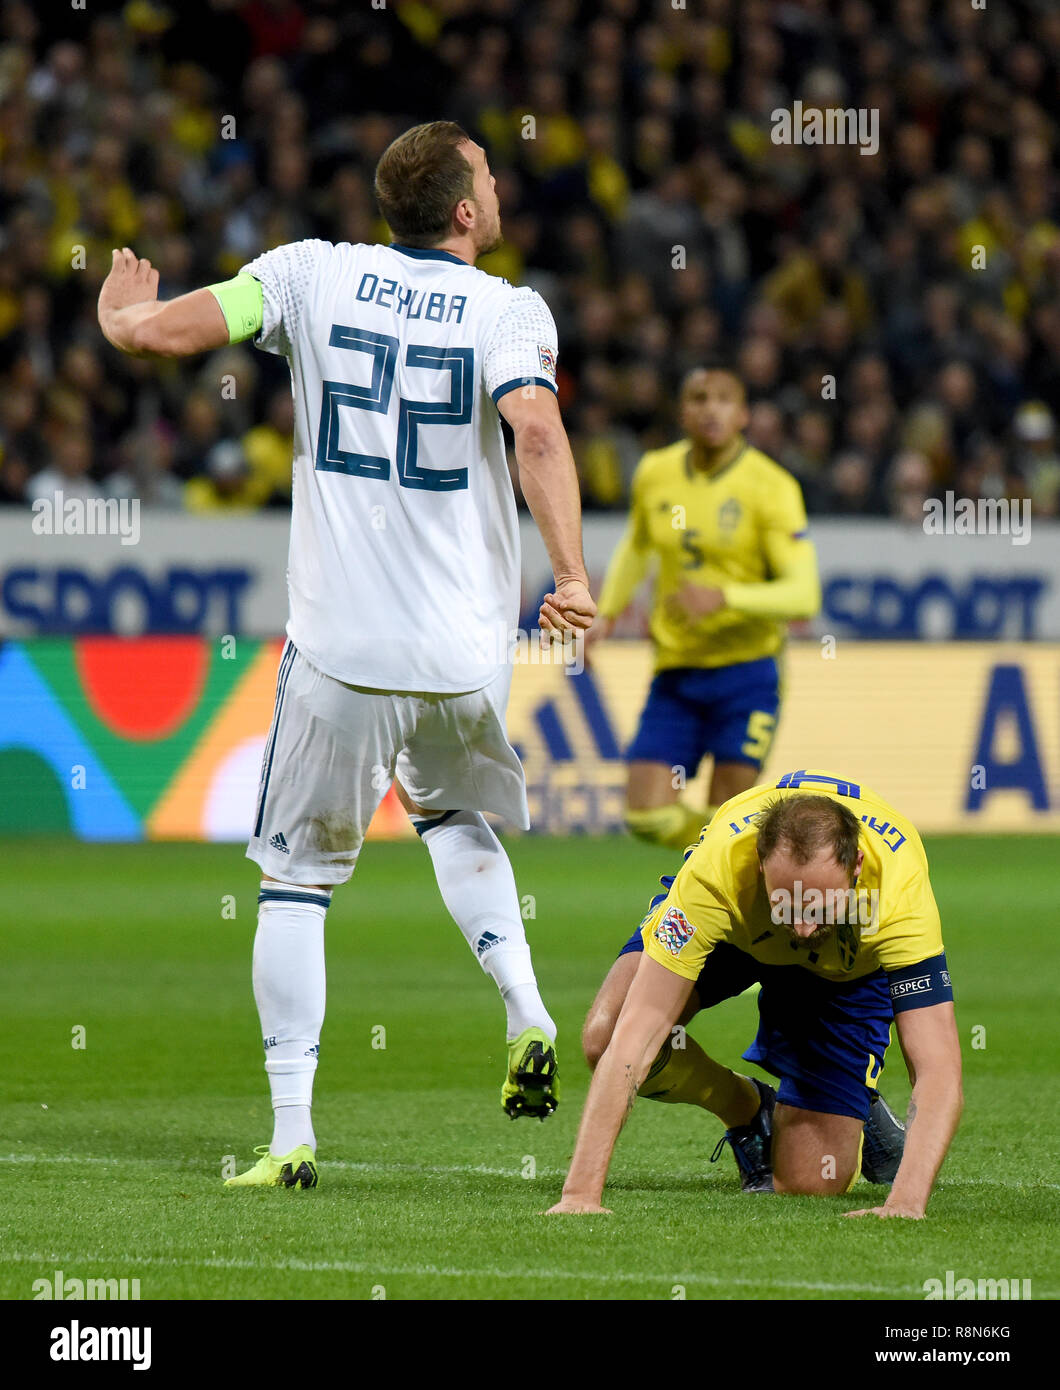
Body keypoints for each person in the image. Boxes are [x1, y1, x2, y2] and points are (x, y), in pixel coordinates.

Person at [98, 120, 595, 1189]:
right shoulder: (511, 311)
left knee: (294, 880)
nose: (501, 187)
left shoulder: (309, 274)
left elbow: (186, 329)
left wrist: (128, 320)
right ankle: (525, 1006)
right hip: (465, 653)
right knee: (453, 817)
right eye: (490, 177)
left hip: (342, 648)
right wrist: (572, 576)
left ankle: (289, 1134)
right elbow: (539, 433)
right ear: (464, 210)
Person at [547, 770, 962, 1219]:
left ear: (856, 867)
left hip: (844, 972)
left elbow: (937, 1068)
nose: (802, 927)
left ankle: (859, 1107)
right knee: (606, 1036)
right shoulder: (717, 873)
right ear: (760, 865)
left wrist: (904, 1203)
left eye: (818, 905)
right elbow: (636, 1035)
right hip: (736, 936)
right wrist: (580, 1195)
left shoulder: (897, 893)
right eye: (788, 902)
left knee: (810, 1182)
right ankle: (746, 1107)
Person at [588, 365, 820, 850]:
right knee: (646, 817)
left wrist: (726, 597)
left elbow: (804, 594)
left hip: (747, 673)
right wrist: (606, 613)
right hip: (677, 672)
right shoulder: (656, 472)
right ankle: (736, 848)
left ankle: (730, 867)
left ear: (743, 416)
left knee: (727, 815)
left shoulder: (771, 487)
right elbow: (637, 544)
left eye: (722, 399)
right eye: (698, 397)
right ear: (683, 412)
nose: (710, 408)